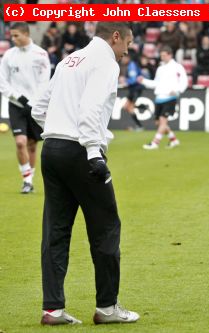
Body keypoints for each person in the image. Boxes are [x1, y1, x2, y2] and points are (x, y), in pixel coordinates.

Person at [31, 22, 139, 325]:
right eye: (127, 44)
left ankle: (52, 309)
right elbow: (91, 109)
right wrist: (93, 151)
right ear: (115, 37)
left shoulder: (69, 59)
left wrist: (56, 132)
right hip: (82, 151)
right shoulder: (104, 62)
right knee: (106, 227)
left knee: (55, 231)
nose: (126, 51)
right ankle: (107, 308)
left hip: (52, 148)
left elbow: (39, 108)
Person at [0, 22, 50, 194]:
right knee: (20, 143)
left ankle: (30, 178)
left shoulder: (41, 54)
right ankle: (26, 180)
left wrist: (35, 102)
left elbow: (45, 82)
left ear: (26, 34)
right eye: (12, 36)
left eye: (16, 35)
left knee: (31, 145)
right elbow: (2, 82)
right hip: (16, 105)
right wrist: (17, 97)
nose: (13, 39)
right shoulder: (8, 55)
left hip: (35, 106)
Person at [139, 46, 188, 150]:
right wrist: (144, 81)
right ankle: (173, 140)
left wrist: (177, 90)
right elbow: (156, 83)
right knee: (159, 123)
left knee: (163, 121)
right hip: (159, 97)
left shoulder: (177, 67)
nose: (162, 57)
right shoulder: (160, 68)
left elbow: (184, 81)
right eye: (161, 55)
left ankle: (155, 143)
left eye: (164, 55)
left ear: (170, 55)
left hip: (170, 97)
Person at [120, 50, 144, 131]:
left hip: (136, 89)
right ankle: (142, 107)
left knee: (130, 108)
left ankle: (140, 126)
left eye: (123, 57)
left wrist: (125, 82)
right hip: (132, 89)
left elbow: (134, 80)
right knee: (126, 107)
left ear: (128, 58)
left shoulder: (132, 65)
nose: (122, 59)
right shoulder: (130, 65)